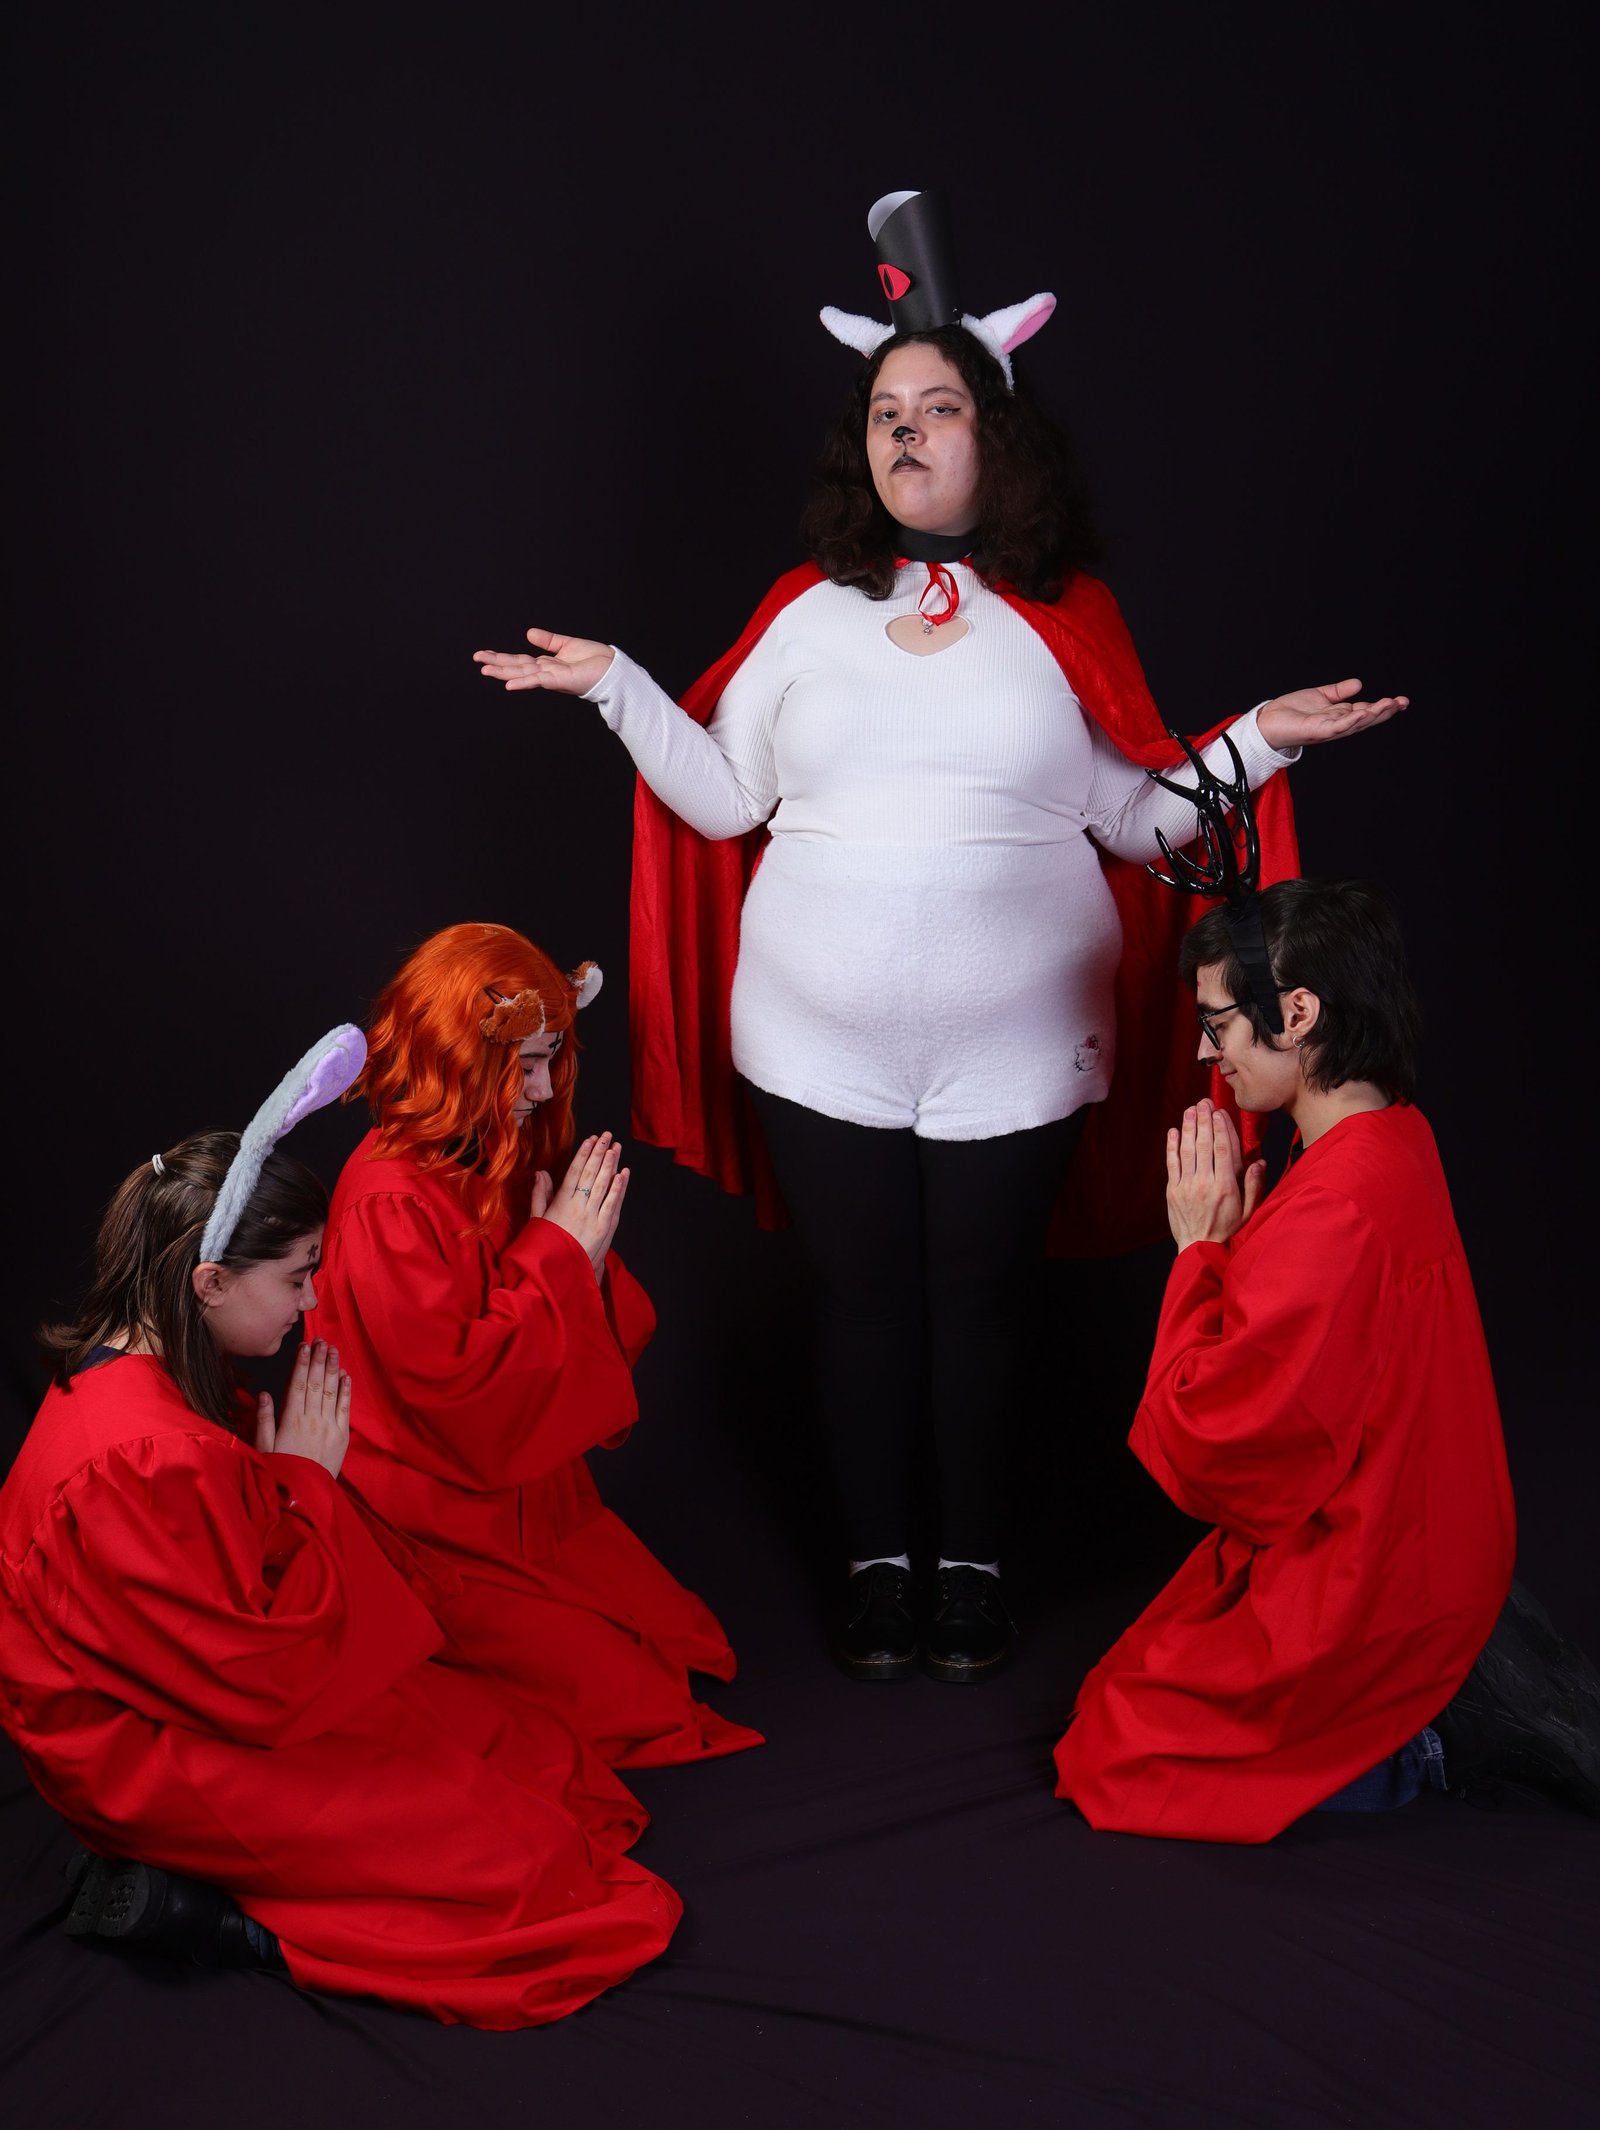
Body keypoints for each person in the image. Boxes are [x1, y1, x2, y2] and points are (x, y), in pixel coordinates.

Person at [473, 186, 1406, 1686]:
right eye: (885, 412)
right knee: (860, 1309)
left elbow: (1137, 823)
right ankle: (874, 1567)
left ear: (999, 436)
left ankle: (965, 1566)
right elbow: (723, 802)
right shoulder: (805, 615)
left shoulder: (1064, 615)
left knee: (979, 1310)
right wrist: (616, 689)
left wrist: (1259, 742)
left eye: (941, 407)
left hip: (1020, 1056)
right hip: (813, 1045)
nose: (907, 431)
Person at [0, 1034, 682, 2028]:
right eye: (296, 1277)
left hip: (203, 1689)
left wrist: (286, 1489)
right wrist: (307, 1486)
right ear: (209, 1284)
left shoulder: (157, 1380)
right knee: (540, 1884)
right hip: (147, 1748)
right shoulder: (138, 1453)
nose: (314, 1300)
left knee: (538, 1762)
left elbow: (218, 1605)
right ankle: (229, 1926)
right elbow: (255, 1669)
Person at [1053, 878, 1600, 1839]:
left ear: (1297, 1013)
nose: (1205, 1052)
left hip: (1376, 1574)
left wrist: (1199, 1253)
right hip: (1436, 1540)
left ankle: (1422, 1739)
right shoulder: (1394, 1132)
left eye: (1218, 1023)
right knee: (1133, 1692)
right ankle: (1439, 1685)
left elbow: (1223, 1454)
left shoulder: (1334, 1206)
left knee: (1115, 1750)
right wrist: (1248, 1253)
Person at [309, 923, 761, 1767]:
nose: (546, 1089)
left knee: (682, 1643)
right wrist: (561, 1254)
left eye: (552, 1059)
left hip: (531, 1500)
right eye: (526, 1065)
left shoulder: (493, 1152)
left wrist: (580, 1261)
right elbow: (455, 1395)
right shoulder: (386, 1203)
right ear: (458, 1057)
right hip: (434, 1520)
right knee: (636, 1708)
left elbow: (586, 1323)